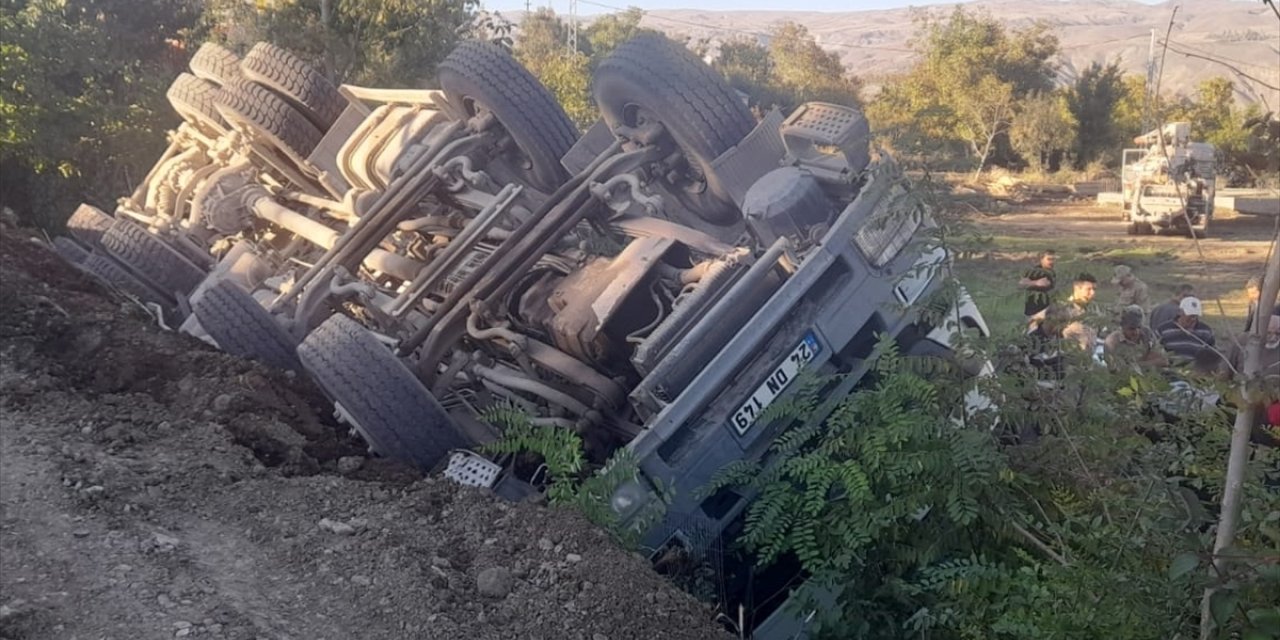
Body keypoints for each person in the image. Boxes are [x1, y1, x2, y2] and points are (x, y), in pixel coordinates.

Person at [1104, 305, 1167, 370]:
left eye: (1139, 327)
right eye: (1132, 329)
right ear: (1123, 326)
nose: (1136, 332)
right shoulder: (1112, 342)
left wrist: (1136, 364)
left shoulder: (1147, 334)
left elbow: (1163, 361)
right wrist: (1149, 360)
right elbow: (1120, 371)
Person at [1157, 296, 1216, 363]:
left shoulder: (1206, 332)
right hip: (1169, 371)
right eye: (1190, 315)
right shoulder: (1164, 330)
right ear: (1180, 312)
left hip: (1196, 371)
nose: (1193, 319)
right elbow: (1155, 351)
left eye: (1195, 316)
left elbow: (1212, 353)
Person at [1061, 272, 1099, 353]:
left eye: (1094, 289)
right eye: (1088, 289)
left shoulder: (1095, 309)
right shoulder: (1063, 310)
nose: (1092, 293)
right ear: (1077, 288)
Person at [1019, 250, 1056, 320]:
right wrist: (1036, 283)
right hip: (1034, 311)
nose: (1051, 262)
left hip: (1047, 310)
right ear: (1041, 259)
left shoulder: (1052, 272)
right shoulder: (1035, 271)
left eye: (1053, 259)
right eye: (1049, 259)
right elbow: (1022, 283)